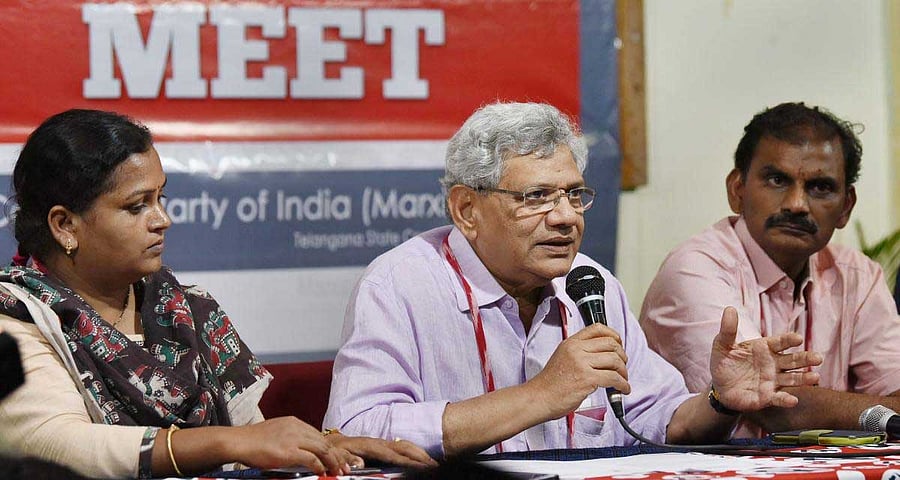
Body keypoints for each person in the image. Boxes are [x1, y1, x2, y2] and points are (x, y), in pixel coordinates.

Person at [323, 101, 822, 459]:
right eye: (536, 197)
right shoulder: (399, 285)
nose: (565, 218)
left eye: (574, 195)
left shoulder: (590, 283)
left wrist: (717, 401)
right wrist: (542, 394)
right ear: (467, 209)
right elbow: (355, 429)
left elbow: (652, 417)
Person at [0, 109, 435, 479]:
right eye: (137, 207)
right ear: (65, 225)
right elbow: (53, 443)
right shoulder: (19, 315)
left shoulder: (185, 309)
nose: (162, 219)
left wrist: (330, 447)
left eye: (160, 198)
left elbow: (254, 443)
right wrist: (231, 443)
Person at [639, 102, 900, 436]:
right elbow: (770, 404)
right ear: (738, 190)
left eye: (819, 187)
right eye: (777, 180)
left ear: (846, 206)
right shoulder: (695, 270)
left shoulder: (857, 277)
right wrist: (867, 408)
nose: (796, 204)